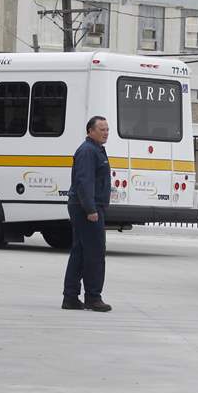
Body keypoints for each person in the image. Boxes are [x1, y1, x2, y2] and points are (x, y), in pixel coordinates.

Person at [62, 116, 112, 312]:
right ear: (90, 131)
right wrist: (90, 209)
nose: (106, 132)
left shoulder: (96, 149)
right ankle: (93, 297)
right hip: (86, 208)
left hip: (88, 206)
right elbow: (84, 182)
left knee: (81, 252)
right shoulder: (88, 151)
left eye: (107, 129)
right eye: (102, 129)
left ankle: (71, 297)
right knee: (94, 253)